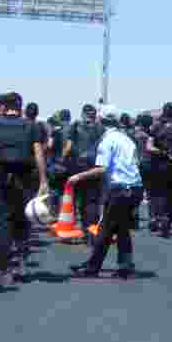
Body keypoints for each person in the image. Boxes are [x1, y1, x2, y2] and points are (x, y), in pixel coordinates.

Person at [0, 92, 47, 294]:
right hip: (24, 179)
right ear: (20, 107)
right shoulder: (31, 126)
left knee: (1, 223)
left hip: (0, 179)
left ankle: (4, 269)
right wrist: (43, 180)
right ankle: (21, 262)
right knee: (23, 221)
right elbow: (38, 153)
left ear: (4, 107)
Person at [69, 105, 144, 278]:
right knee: (122, 228)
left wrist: (78, 177)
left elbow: (101, 169)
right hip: (134, 188)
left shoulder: (107, 141)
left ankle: (92, 268)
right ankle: (125, 266)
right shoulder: (126, 138)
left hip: (120, 189)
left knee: (105, 229)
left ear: (100, 121)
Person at [63, 104, 105, 243]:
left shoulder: (75, 126)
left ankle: (81, 229)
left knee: (78, 199)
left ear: (82, 114)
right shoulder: (101, 128)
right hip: (95, 167)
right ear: (94, 115)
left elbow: (68, 147)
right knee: (92, 201)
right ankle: (91, 232)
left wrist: (62, 160)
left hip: (78, 167)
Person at [147, 104, 172, 239]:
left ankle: (162, 216)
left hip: (160, 164)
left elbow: (149, 147)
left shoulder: (156, 126)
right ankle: (168, 219)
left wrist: (161, 152)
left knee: (160, 193)